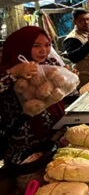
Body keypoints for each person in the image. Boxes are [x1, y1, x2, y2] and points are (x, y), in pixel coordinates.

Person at [0, 26, 66, 194]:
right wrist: (13, 72)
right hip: (23, 145)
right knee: (28, 187)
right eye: (36, 45)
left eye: (47, 44)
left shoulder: (49, 64)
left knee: (52, 182)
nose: (44, 50)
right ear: (21, 46)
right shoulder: (7, 69)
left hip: (52, 136)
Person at [63, 8, 89, 88]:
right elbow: (73, 57)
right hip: (86, 80)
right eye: (81, 20)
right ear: (74, 21)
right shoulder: (72, 38)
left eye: (87, 19)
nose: (85, 22)